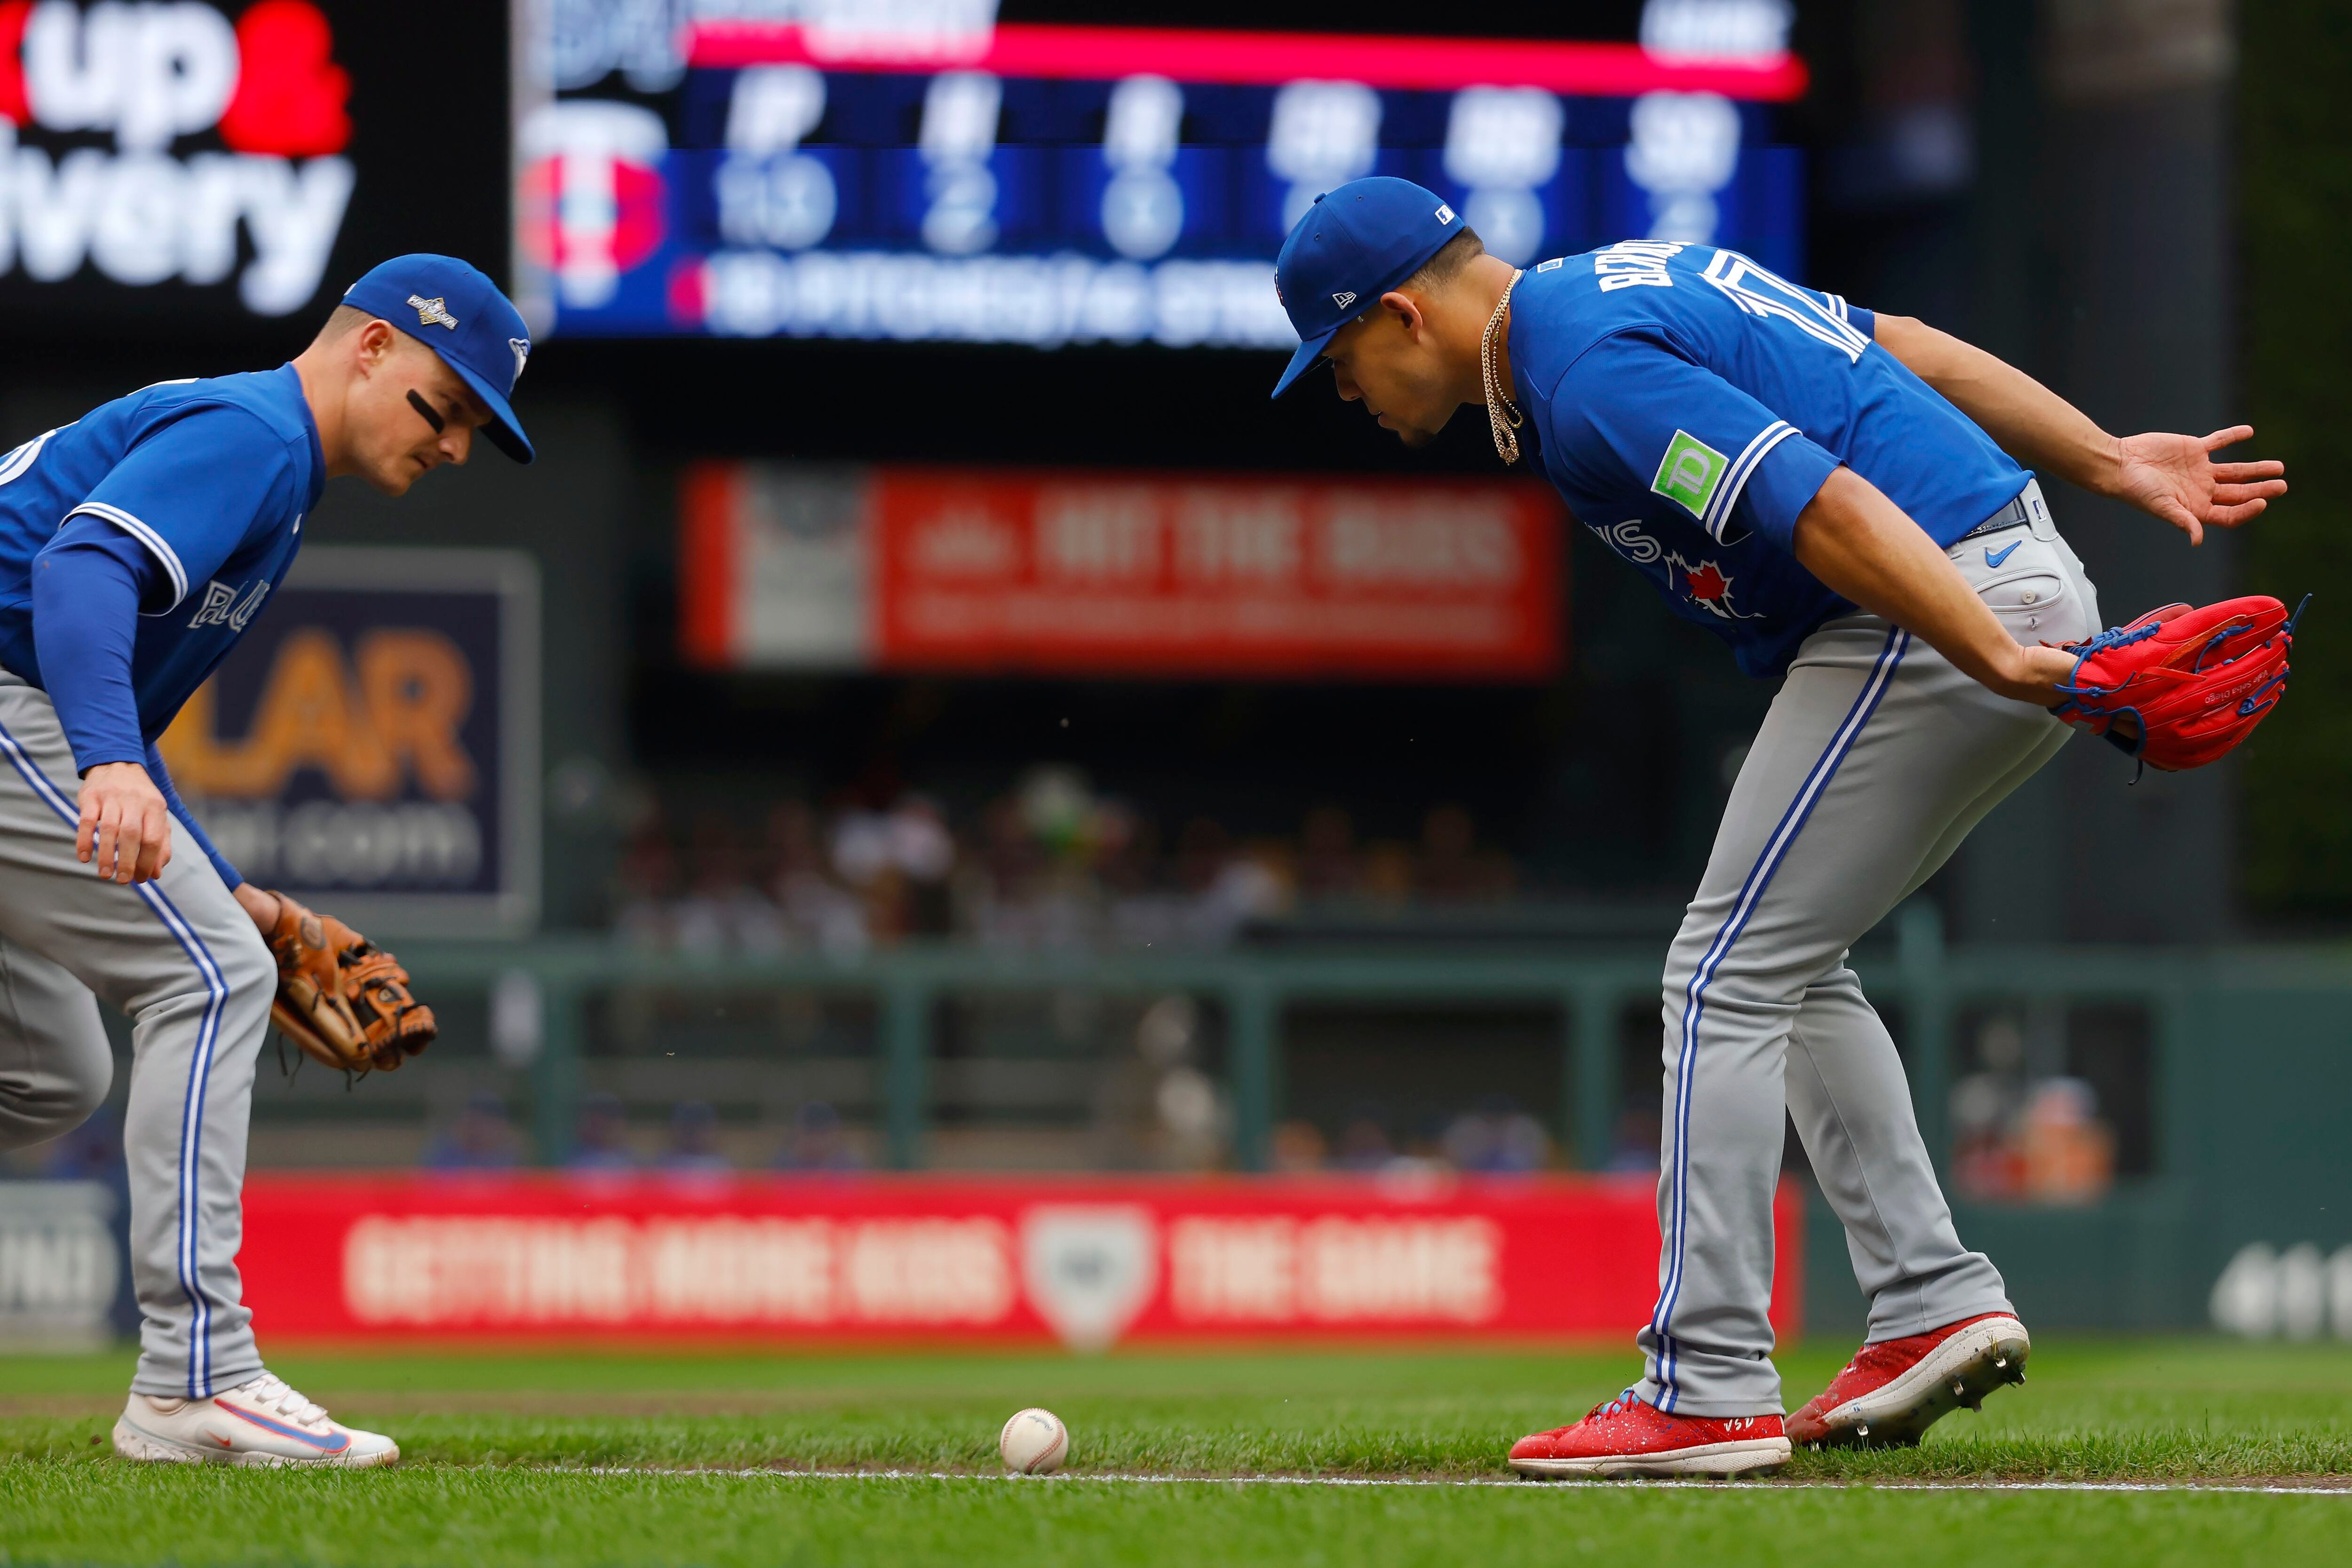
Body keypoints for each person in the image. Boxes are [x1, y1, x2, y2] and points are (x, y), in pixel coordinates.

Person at [1269, 179, 2284, 1478]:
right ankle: (1932, 1298)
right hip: (1990, 583)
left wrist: (2000, 657)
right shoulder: (1630, 279)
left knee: (1721, 977)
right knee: (1789, 968)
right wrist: (2102, 457)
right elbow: (1899, 346)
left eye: (1343, 359)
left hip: (1936, 607)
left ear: (1404, 313)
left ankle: (1705, 1385)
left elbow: (1825, 508)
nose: (1346, 393)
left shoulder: (1582, 370)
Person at [0, 255, 535, 1468]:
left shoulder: (277, 471)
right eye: (444, 408)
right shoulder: (258, 433)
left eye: (473, 432)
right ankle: (196, 1375)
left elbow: (112, 709)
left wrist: (218, 876)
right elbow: (79, 567)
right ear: (371, 348)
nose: (453, 447)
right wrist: (107, 766)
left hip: (23, 704)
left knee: (51, 1069)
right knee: (215, 976)